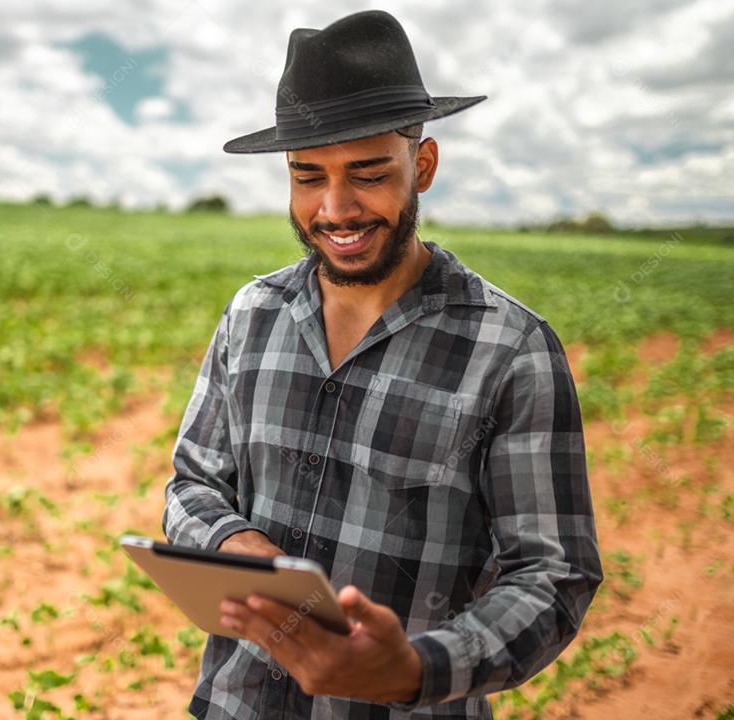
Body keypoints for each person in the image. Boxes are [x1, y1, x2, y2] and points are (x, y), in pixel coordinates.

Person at [161, 9, 603, 720]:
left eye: (366, 174)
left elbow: (553, 575)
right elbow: (192, 483)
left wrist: (417, 669)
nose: (335, 209)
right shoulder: (252, 315)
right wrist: (233, 543)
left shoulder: (511, 350)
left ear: (421, 166)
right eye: (308, 177)